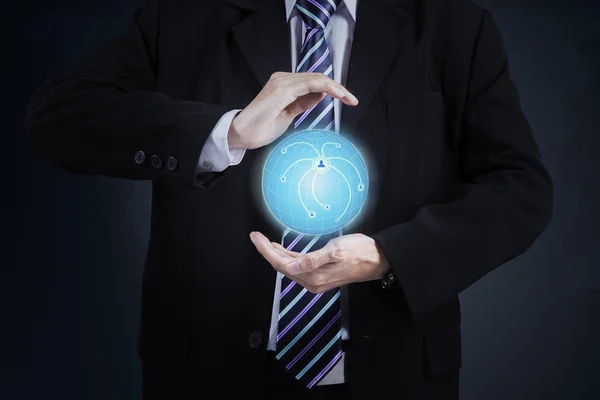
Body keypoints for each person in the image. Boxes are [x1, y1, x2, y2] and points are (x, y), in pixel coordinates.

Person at [24, 0, 553, 398]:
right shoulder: (182, 16)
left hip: (395, 374)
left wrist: (392, 255)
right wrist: (227, 131)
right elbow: (58, 118)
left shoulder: (452, 23)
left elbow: (519, 187)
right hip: (208, 373)